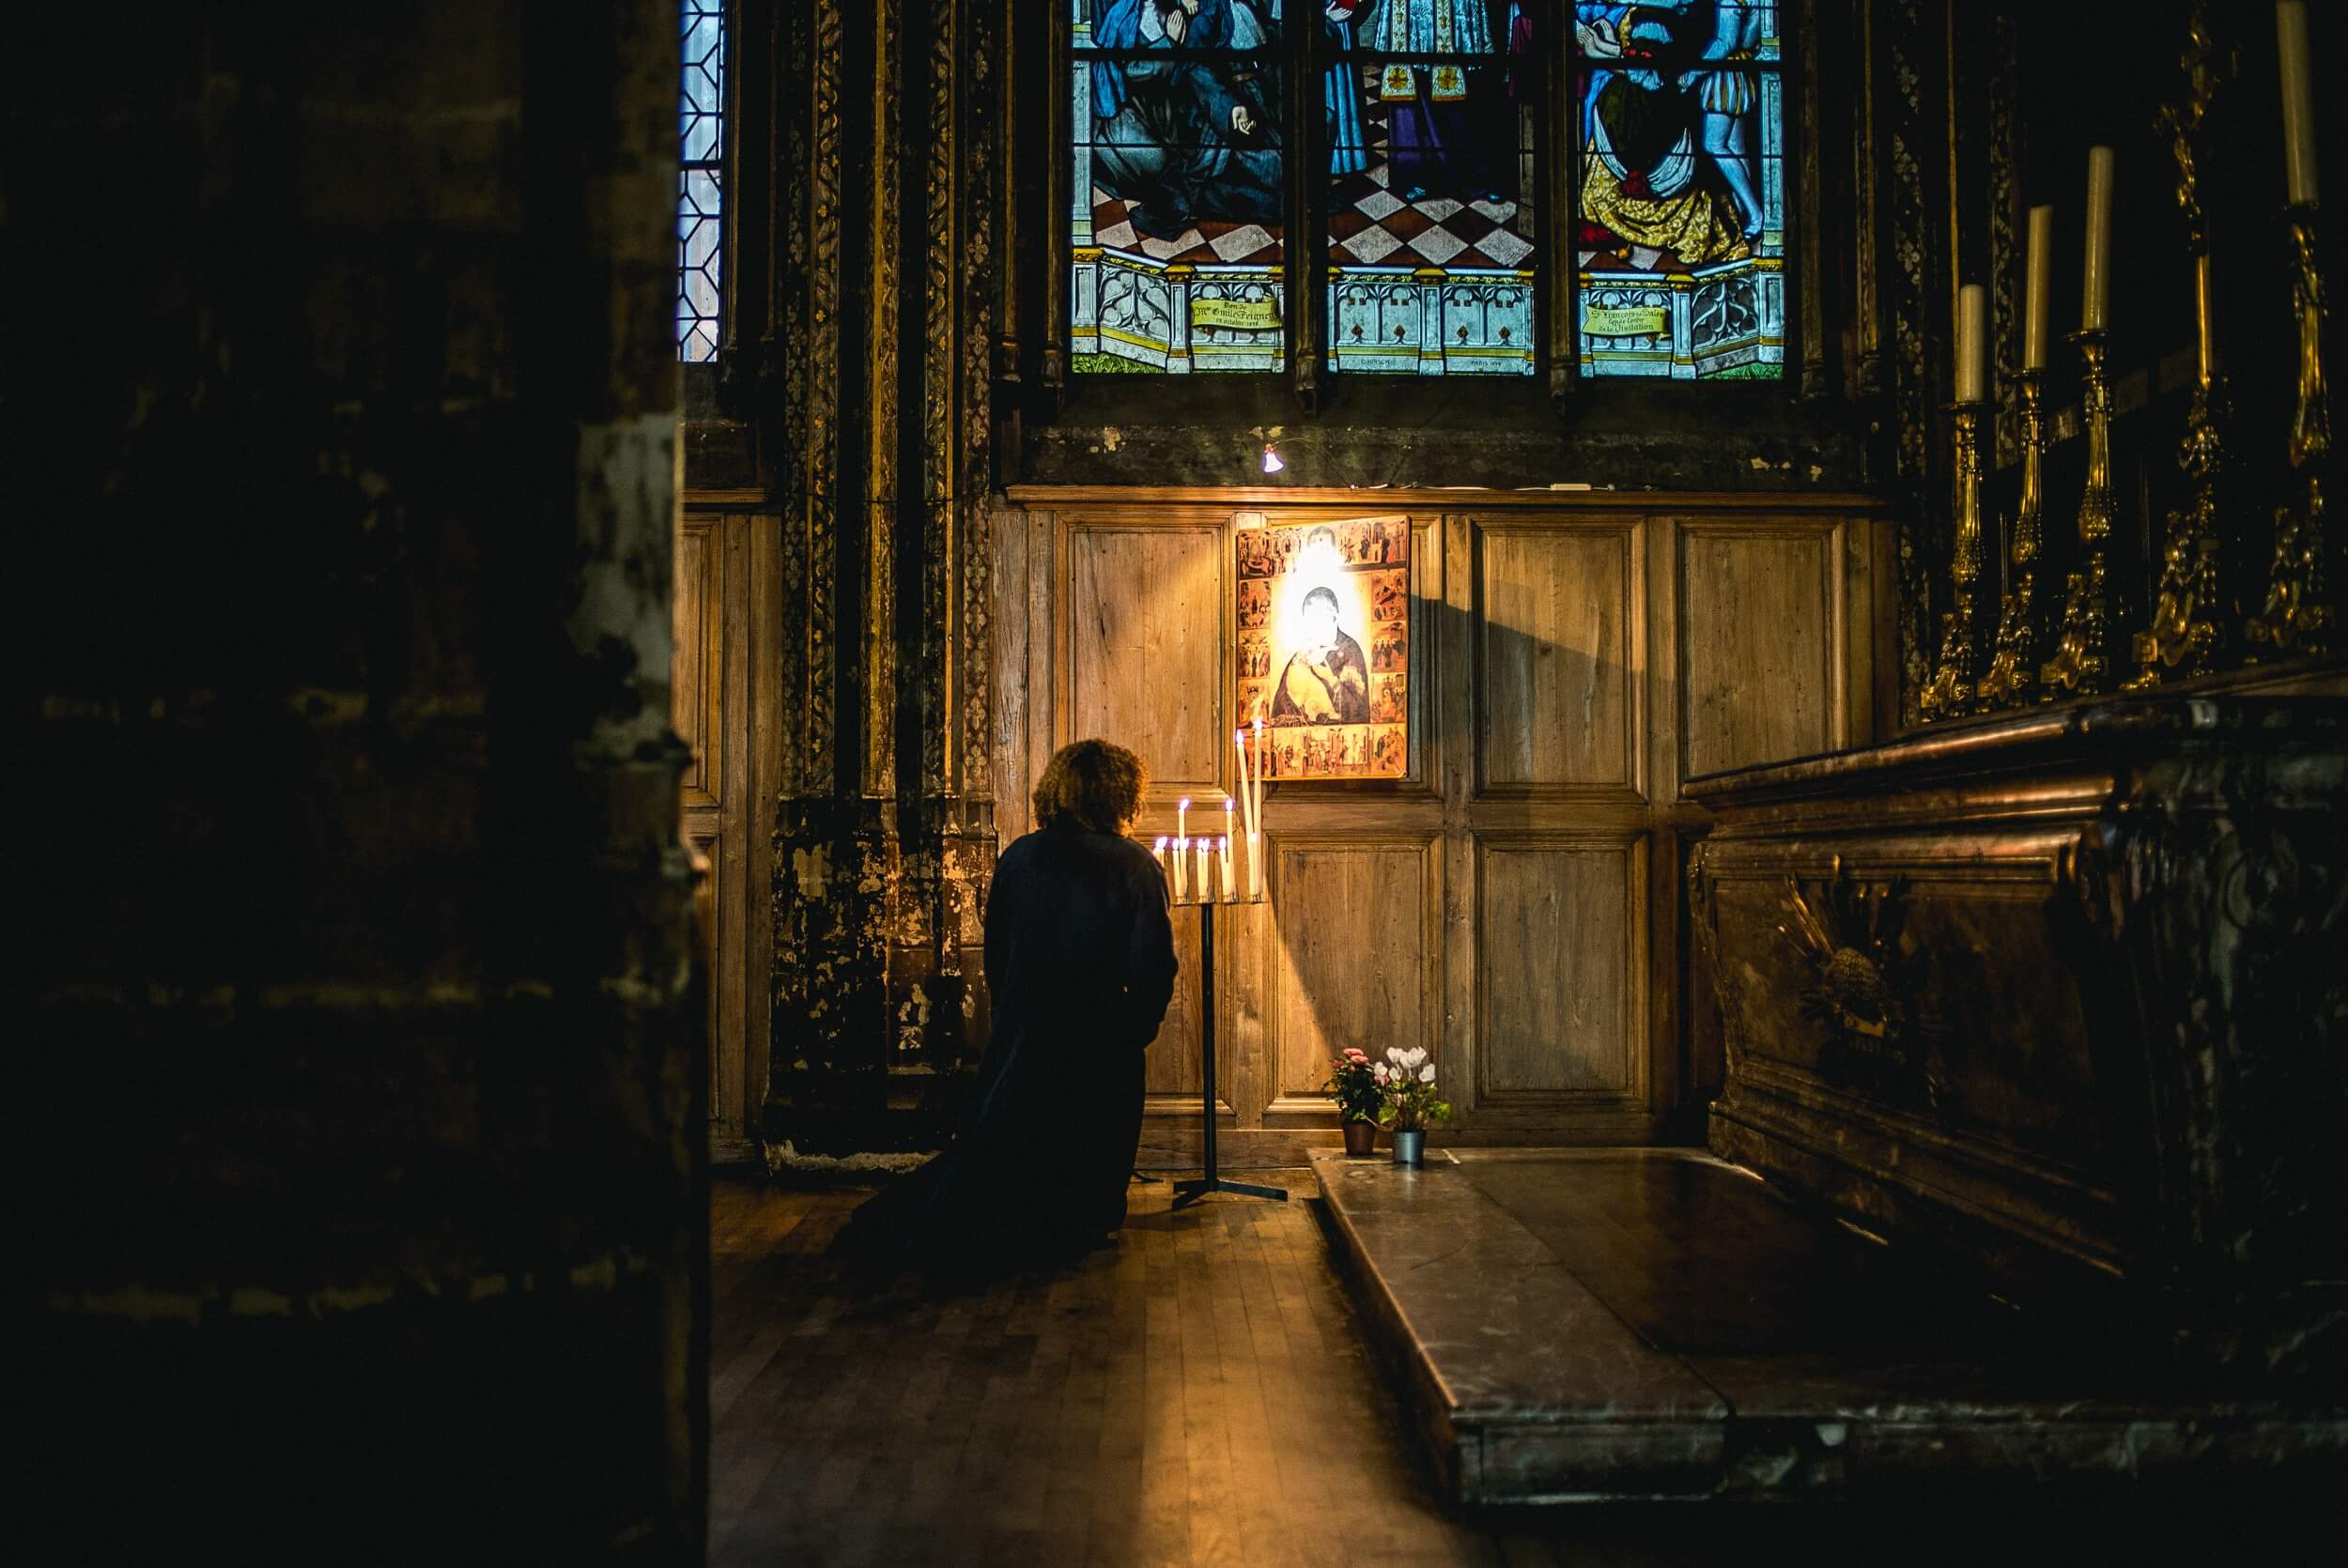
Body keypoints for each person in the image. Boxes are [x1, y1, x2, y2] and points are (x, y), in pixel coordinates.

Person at [842, 739, 1178, 1274]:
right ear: (1120, 795)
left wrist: (1016, 1015)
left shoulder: (1019, 856)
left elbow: (995, 951)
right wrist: (1134, 1029)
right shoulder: (1135, 865)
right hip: (1100, 1035)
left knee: (1005, 1146)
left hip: (1025, 1031)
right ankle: (1082, 1221)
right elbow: (1154, 966)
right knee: (1093, 1141)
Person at [1272, 585, 1371, 724]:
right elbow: (1280, 706)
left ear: (1334, 617)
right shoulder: (1304, 653)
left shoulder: (1350, 651)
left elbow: (1359, 711)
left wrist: (1331, 679)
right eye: (1309, 621)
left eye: (1318, 619)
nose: (1312, 627)